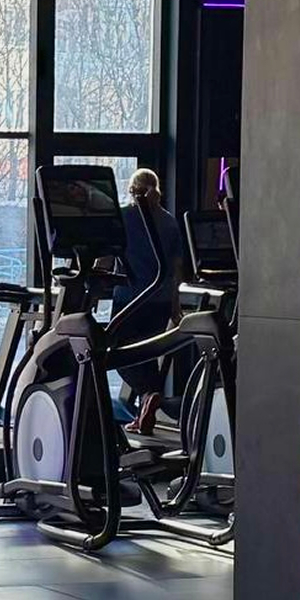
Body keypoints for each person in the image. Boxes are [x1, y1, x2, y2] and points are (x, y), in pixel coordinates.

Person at [118, 167, 190, 437]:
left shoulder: (125, 217)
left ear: (132, 190)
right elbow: (177, 268)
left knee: (119, 355)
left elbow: (106, 255)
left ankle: (150, 394)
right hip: (159, 300)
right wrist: (175, 305)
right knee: (146, 355)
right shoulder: (169, 221)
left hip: (130, 299)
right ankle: (143, 414)